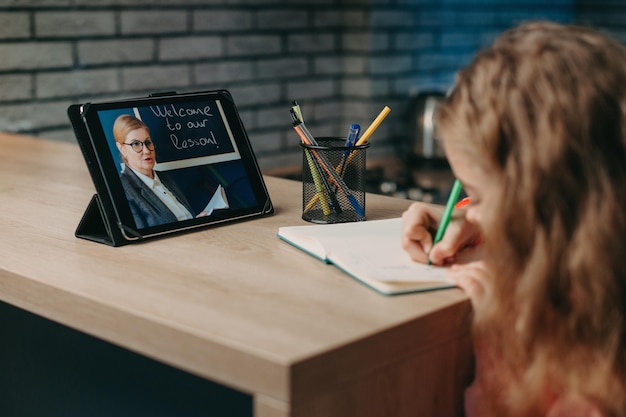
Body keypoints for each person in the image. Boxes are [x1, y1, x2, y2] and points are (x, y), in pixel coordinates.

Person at [401, 21, 626, 417]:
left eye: (480, 194)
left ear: (545, 193)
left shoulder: (591, 357)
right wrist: (467, 216)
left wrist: (503, 347)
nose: (471, 209)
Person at [113, 114, 211, 229]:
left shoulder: (165, 178)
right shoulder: (123, 190)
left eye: (148, 142)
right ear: (122, 149)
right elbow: (142, 241)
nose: (146, 150)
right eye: (136, 144)